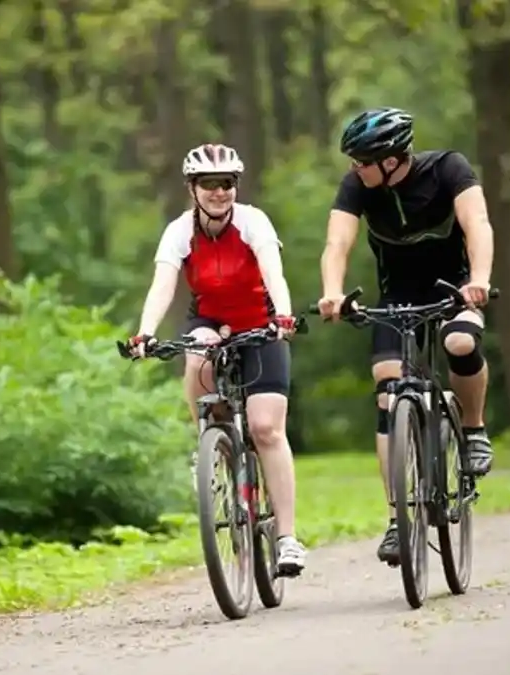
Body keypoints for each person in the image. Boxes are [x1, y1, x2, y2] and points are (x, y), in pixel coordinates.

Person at [315, 107, 495, 567]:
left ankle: (473, 430)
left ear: (392, 160)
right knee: (387, 393)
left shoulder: (448, 169)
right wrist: (332, 293)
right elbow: (338, 242)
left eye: (362, 161)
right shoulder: (358, 186)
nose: (355, 169)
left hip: (455, 287)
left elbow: (477, 224)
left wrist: (478, 279)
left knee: (459, 344)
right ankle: (398, 517)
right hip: (397, 297)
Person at [125, 142, 307, 576]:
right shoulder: (179, 231)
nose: (218, 192)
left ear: (235, 186)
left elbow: (272, 271)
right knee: (197, 355)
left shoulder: (252, 221)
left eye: (226, 183)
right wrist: (145, 333)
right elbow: (163, 285)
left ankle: (287, 539)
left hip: (260, 321)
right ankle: (208, 442)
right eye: (208, 184)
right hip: (210, 317)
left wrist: (282, 315)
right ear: (192, 188)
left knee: (266, 428)